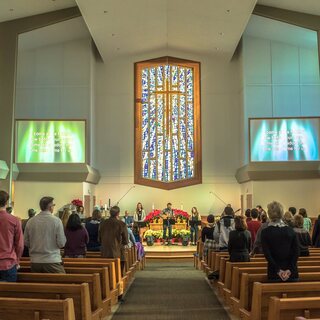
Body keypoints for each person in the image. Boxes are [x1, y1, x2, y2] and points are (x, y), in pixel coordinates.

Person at [24, 196, 66, 273]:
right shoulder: (57, 221)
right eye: (53, 205)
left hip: (35, 262)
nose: (53, 207)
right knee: (64, 283)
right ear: (50, 207)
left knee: (38, 285)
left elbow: (26, 242)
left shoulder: (31, 221)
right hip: (52, 261)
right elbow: (61, 243)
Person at [261, 201, 299, 282]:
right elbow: (296, 252)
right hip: (291, 274)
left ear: (269, 214)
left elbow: (268, 255)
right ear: (282, 213)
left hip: (274, 273)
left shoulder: (265, 232)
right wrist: (289, 270)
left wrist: (279, 271)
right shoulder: (291, 231)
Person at [0, 190, 24, 281]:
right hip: (8, 263)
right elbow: (20, 245)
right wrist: (17, 260)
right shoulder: (14, 220)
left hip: (8, 262)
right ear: (6, 202)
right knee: (7, 294)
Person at [99, 206, 128, 275]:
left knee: (106, 273)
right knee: (118, 272)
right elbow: (126, 241)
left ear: (110, 213)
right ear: (118, 214)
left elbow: (99, 238)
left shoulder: (102, 223)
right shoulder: (122, 224)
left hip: (105, 252)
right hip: (117, 253)